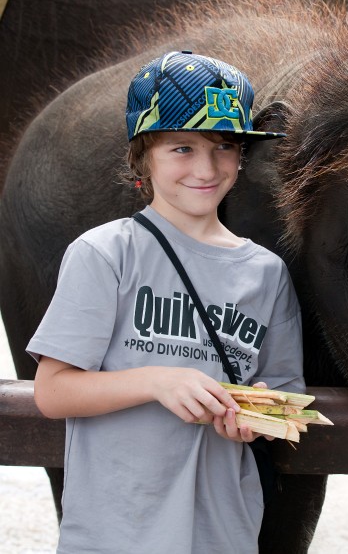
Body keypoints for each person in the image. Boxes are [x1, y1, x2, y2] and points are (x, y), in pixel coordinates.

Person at [28, 50, 304, 553]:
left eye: (223, 146)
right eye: (181, 148)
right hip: (115, 533)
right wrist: (158, 381)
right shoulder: (104, 253)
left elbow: (283, 407)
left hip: (224, 533)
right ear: (143, 157)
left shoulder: (268, 274)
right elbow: (52, 391)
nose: (206, 167)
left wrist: (251, 421)